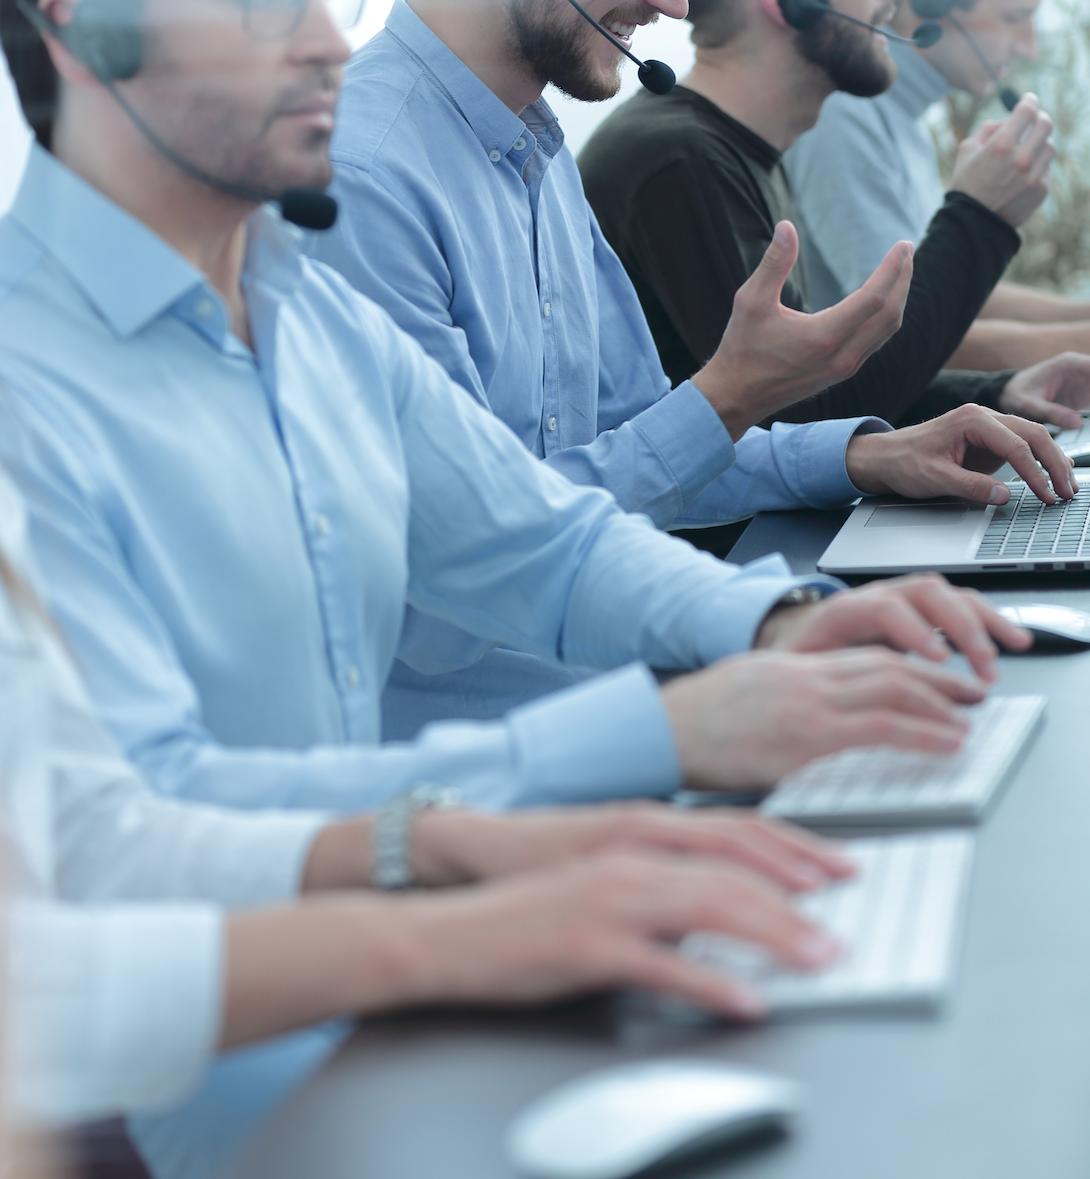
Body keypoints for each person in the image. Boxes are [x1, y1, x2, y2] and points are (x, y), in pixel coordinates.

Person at [0, 0, 1051, 837]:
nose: (325, 42)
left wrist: (784, 619)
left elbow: (540, 534)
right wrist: (665, 728)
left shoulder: (309, 312)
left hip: (443, 853)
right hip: (411, 868)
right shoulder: (39, 389)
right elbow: (143, 822)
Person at [312, 0, 1068, 732]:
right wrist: (730, 406)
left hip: (623, 701)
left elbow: (625, 441)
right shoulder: (364, 177)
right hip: (507, 759)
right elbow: (474, 556)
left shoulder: (531, 146)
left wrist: (859, 453)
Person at [0, 466, 852, 1178]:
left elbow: (92, 830)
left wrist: (455, 844)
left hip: (273, 963)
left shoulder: (317, 312)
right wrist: (440, 938)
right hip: (183, 1044)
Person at [578, 0, 1090, 433]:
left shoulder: (738, 151)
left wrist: (999, 391)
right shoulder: (680, 163)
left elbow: (814, 389)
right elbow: (803, 421)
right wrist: (979, 218)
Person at [785, 0, 1090, 369]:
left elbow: (956, 293)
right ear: (934, 0)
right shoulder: (846, 116)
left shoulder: (903, 119)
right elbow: (898, 329)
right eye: (1016, 17)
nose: (1030, 47)